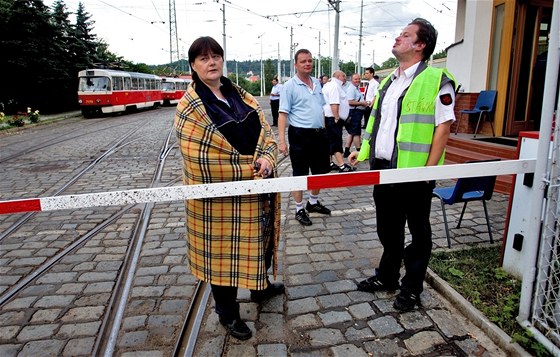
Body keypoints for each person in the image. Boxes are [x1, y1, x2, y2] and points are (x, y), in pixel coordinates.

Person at [174, 36, 284, 341]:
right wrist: (250, 169)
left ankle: (259, 287)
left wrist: (266, 157)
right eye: (203, 58)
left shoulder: (240, 95)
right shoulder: (189, 107)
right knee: (220, 255)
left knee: (257, 242)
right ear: (194, 66)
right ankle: (227, 312)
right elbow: (198, 159)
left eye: (216, 56)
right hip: (216, 200)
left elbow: (266, 133)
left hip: (255, 190)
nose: (211, 62)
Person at [348, 18, 456, 312]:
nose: (397, 38)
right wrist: (363, 150)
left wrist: (429, 171)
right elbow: (376, 122)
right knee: (388, 228)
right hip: (383, 166)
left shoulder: (437, 80)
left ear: (420, 45)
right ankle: (387, 276)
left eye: (405, 35)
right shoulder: (388, 82)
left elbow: (443, 128)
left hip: (416, 171)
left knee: (419, 233)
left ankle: (411, 288)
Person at [278, 49, 332, 226]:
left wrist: (324, 131)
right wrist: (282, 140)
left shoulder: (317, 83)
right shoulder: (289, 86)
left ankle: (313, 203)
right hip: (300, 134)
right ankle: (299, 208)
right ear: (296, 64)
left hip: (319, 134)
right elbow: (283, 114)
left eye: (309, 60)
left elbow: (321, 109)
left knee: (320, 171)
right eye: (303, 61)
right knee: (300, 174)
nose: (307, 63)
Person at [323, 70, 353, 172]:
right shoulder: (334, 86)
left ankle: (329, 163)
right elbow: (334, 103)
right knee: (336, 141)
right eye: (344, 76)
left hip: (329, 117)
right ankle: (341, 165)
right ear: (339, 76)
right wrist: (336, 117)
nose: (345, 79)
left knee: (329, 141)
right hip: (333, 118)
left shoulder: (329, 85)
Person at [344, 73, 368, 158]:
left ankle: (346, 151)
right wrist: (362, 103)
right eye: (355, 79)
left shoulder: (355, 88)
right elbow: (350, 102)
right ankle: (359, 152)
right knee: (356, 133)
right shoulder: (351, 89)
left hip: (357, 112)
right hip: (355, 112)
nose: (358, 80)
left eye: (358, 79)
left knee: (352, 132)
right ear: (351, 80)